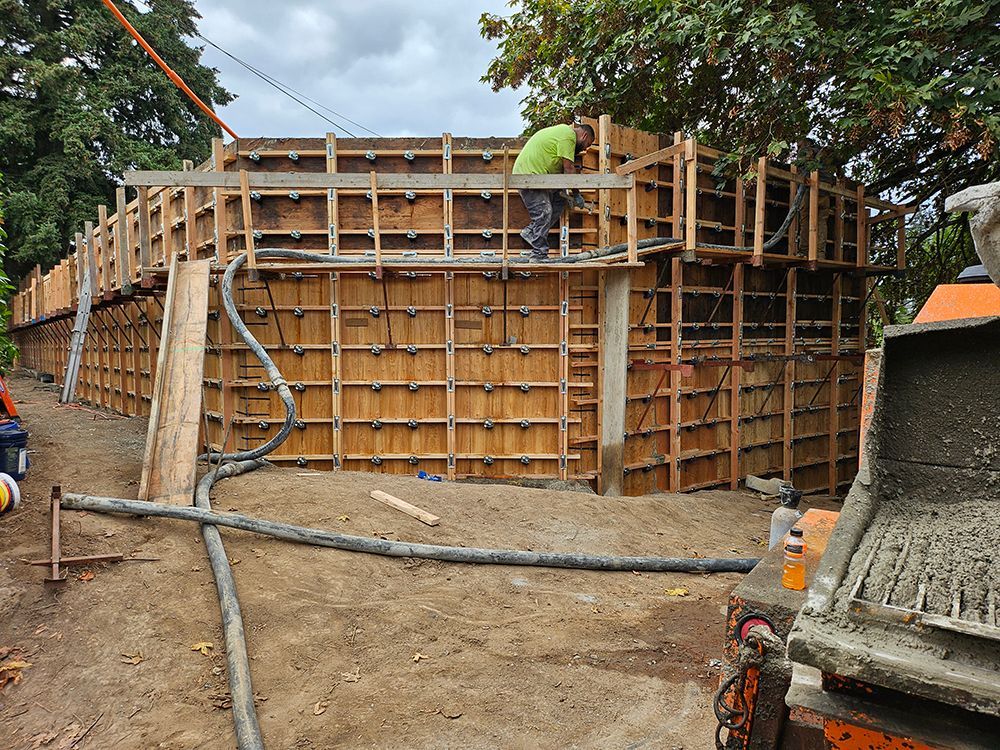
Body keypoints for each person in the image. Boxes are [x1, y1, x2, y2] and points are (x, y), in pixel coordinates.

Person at [512, 122, 595, 260]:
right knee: (544, 212)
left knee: (559, 201)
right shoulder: (568, 136)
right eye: (588, 144)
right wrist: (576, 194)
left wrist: (567, 193)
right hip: (528, 176)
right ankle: (539, 253)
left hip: (543, 178)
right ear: (584, 135)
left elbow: (562, 170)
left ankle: (531, 232)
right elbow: (569, 169)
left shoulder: (563, 134)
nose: (585, 148)